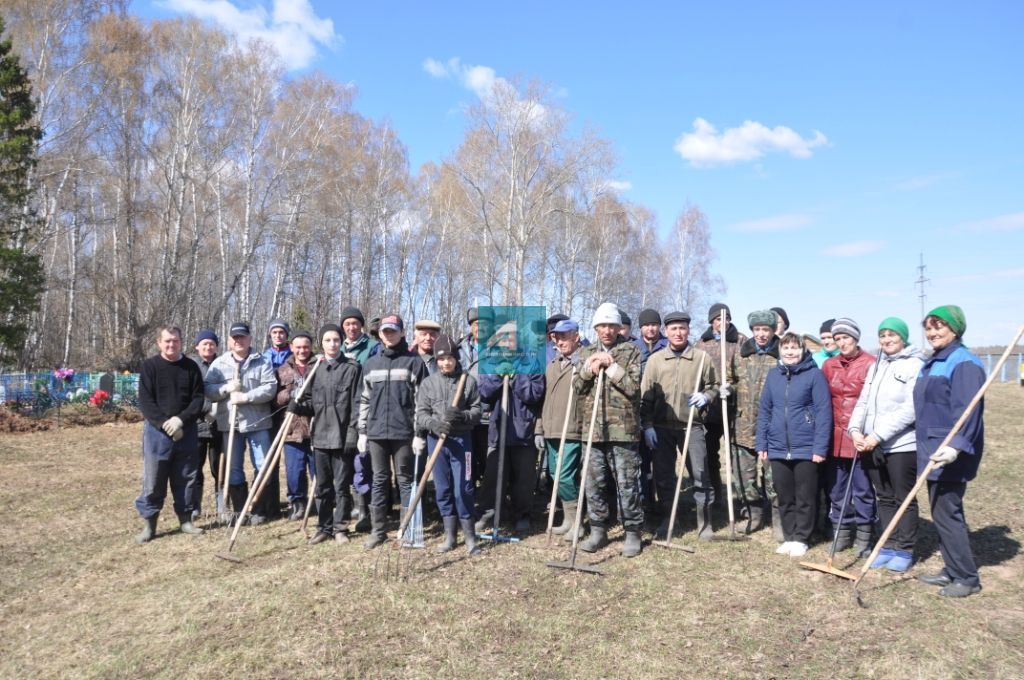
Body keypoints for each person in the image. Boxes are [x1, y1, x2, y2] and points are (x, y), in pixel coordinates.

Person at [913, 305, 986, 597]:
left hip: (950, 451)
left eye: (939, 326)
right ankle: (952, 569)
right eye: (929, 328)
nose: (932, 333)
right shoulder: (934, 361)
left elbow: (968, 413)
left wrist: (955, 447)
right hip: (931, 447)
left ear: (955, 329)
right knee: (942, 512)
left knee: (948, 512)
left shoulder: (964, 363)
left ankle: (967, 578)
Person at [849, 317, 924, 573]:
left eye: (892, 335)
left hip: (901, 444)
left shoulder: (915, 364)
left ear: (903, 337)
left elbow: (910, 409)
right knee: (884, 496)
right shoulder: (876, 364)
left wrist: (877, 435)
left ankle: (905, 548)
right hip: (871, 444)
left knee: (904, 498)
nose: (887, 340)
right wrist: (855, 429)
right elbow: (863, 401)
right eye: (883, 335)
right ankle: (888, 543)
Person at [641, 310, 719, 540]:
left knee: (700, 473)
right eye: (673, 328)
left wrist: (706, 396)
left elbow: (714, 385)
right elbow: (646, 396)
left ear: (688, 331)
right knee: (664, 476)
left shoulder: (701, 358)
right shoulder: (656, 360)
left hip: (691, 426)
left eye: (682, 328)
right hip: (662, 427)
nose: (678, 332)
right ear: (666, 332)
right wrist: (647, 426)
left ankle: (705, 522)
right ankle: (668, 518)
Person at [575, 302, 644, 557]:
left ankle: (633, 532)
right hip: (593, 431)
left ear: (619, 328)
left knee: (627, 484)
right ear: (595, 328)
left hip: (622, 431)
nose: (607, 330)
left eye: (611, 325)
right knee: (594, 483)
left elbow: (634, 388)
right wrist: (587, 369)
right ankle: (598, 530)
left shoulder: (631, 352)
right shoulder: (586, 352)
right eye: (602, 325)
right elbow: (577, 389)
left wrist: (611, 366)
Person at [755, 333, 832, 557]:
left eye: (794, 348)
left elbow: (823, 413)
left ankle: (802, 537)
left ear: (802, 350)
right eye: (786, 348)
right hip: (778, 446)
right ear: (780, 350)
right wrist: (762, 442)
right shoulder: (773, 375)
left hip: (806, 446)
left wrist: (819, 448)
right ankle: (789, 536)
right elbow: (765, 410)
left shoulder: (814, 375)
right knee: (784, 495)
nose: (790, 352)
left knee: (805, 495)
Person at [358, 314, 430, 549]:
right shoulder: (370, 364)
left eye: (393, 331)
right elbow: (364, 400)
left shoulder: (414, 362)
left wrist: (419, 432)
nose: (389, 335)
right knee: (379, 480)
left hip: (404, 433)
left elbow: (422, 401)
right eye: (385, 331)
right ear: (380, 334)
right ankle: (378, 531)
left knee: (406, 481)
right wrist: (362, 431)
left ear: (402, 333)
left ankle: (408, 528)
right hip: (377, 432)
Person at [134, 326, 206, 543]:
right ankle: (150, 524)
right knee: (154, 479)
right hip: (157, 433)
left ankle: (185, 520)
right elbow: (146, 401)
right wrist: (165, 423)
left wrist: (180, 420)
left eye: (175, 340)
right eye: (167, 341)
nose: (171, 345)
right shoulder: (150, 367)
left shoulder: (191, 367)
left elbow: (198, 399)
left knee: (186, 477)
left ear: (181, 341)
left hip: (186, 431)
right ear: (159, 343)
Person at [293, 324, 363, 545]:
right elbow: (312, 403)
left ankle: (340, 527)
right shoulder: (316, 368)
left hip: (342, 437)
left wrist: (353, 434)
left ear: (341, 341)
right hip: (321, 436)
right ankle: (324, 527)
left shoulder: (352, 368)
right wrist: (298, 408)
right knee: (322, 486)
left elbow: (357, 403)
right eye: (327, 340)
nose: (332, 344)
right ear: (321, 344)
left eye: (335, 340)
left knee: (341, 486)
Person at [204, 321, 277, 526]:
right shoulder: (219, 364)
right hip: (230, 424)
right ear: (229, 340)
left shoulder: (262, 361)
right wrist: (226, 388)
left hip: (258, 423)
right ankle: (239, 510)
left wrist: (246, 397)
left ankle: (258, 509)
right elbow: (208, 390)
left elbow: (270, 388)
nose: (239, 341)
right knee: (234, 468)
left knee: (262, 466)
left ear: (249, 339)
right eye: (235, 338)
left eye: (242, 337)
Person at [415, 334, 482, 554]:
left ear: (456, 358)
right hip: (437, 442)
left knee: (464, 487)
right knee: (442, 488)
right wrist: (434, 425)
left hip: (462, 442)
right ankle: (450, 536)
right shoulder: (428, 383)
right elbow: (421, 414)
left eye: (450, 358)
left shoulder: (468, 381)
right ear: (436, 360)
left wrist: (462, 416)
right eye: (441, 358)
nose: (446, 362)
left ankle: (470, 537)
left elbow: (477, 411)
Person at [476, 321, 545, 533]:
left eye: (511, 337)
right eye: (503, 337)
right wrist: (498, 375)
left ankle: (522, 514)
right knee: (493, 476)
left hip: (523, 431)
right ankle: (489, 513)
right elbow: (484, 393)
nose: (507, 342)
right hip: (499, 430)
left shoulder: (532, 363)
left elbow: (534, 394)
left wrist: (516, 378)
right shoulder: (489, 362)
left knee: (523, 479)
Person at [822, 318, 877, 556]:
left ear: (855, 338)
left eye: (845, 338)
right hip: (834, 436)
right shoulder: (829, 366)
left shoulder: (871, 364)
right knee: (836, 489)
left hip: (859, 437)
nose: (841, 342)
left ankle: (864, 537)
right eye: (837, 339)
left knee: (862, 488)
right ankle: (841, 533)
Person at [535, 318, 586, 541]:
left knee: (565, 476)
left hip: (572, 428)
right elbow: (544, 399)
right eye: (556, 336)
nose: (560, 340)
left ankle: (578, 523)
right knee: (556, 475)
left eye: (565, 336)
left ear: (576, 336)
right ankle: (567, 520)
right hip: (551, 428)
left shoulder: (584, 361)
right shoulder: (553, 364)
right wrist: (539, 428)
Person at [695, 303, 748, 509]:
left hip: (733, 407)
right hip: (710, 409)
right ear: (712, 322)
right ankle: (715, 496)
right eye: (718, 319)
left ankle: (743, 501)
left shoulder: (740, 340)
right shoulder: (702, 343)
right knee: (709, 455)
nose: (722, 323)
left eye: (726, 319)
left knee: (736, 456)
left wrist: (733, 388)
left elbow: (745, 373)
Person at [731, 309, 780, 534]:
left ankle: (779, 518)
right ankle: (753, 514)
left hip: (772, 428)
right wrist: (724, 390)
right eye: (757, 329)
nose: (761, 334)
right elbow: (731, 381)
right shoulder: (741, 354)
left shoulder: (781, 355)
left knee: (774, 477)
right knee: (744, 475)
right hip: (742, 426)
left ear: (773, 330)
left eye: (766, 329)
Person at [340, 306, 379, 534]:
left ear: (361, 325)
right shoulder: (339, 347)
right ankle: (354, 505)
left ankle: (366, 511)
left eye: (355, 323)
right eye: (347, 324)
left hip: (365, 410)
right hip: (341, 413)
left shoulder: (372, 348)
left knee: (363, 461)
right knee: (347, 462)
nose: (351, 327)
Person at [274, 331, 317, 521]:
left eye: (306, 347)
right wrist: (289, 394)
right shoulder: (282, 370)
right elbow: (275, 399)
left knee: (318, 469)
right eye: (298, 347)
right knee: (294, 471)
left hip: (316, 428)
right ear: (291, 347)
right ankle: (297, 503)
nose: (302, 350)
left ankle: (318, 502)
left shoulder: (318, 367)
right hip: (291, 429)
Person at [260, 318, 292, 520]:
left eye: (281, 332)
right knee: (270, 459)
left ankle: (298, 500)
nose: (278, 336)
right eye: (275, 333)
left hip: (290, 412)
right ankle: (271, 505)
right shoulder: (264, 357)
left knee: (293, 458)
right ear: (270, 335)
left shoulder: (294, 354)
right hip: (268, 413)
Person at [189, 328, 222, 520]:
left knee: (218, 467)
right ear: (197, 346)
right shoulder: (191, 366)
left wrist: (217, 409)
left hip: (219, 425)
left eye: (211, 344)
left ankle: (221, 504)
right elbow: (190, 394)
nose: (208, 347)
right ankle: (195, 506)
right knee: (195, 467)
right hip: (197, 426)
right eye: (204, 344)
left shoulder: (222, 364)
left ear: (216, 346)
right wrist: (206, 408)